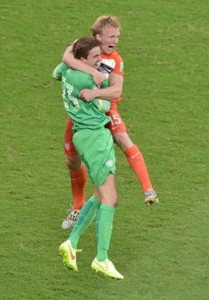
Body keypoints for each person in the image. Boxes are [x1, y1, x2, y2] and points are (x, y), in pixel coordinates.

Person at [59, 15, 159, 229]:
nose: (115, 40)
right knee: (72, 162)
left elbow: (117, 90)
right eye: (111, 36)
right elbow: (66, 58)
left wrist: (96, 93)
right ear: (97, 36)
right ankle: (78, 206)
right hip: (81, 113)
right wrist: (93, 72)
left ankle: (148, 189)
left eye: (117, 36)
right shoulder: (81, 46)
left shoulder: (116, 59)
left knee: (123, 138)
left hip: (104, 108)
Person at [57, 37, 123, 280]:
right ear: (83, 59)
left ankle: (71, 243)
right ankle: (102, 259)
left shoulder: (66, 70)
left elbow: (60, 67)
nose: (100, 61)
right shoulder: (89, 79)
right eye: (95, 57)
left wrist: (75, 60)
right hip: (95, 139)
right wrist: (101, 91)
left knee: (98, 194)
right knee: (110, 197)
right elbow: (105, 106)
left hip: (81, 135)